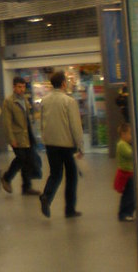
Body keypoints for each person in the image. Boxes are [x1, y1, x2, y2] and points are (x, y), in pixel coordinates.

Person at [39, 71, 84, 219]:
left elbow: (42, 123)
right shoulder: (69, 101)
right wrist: (80, 146)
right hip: (66, 144)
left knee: (55, 173)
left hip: (50, 144)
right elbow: (75, 125)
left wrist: (44, 139)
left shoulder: (44, 100)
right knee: (71, 176)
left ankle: (46, 195)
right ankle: (69, 209)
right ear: (64, 83)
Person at [1, 77, 40, 195]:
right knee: (21, 158)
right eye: (19, 87)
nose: (22, 89)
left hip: (27, 135)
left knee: (28, 160)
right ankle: (7, 178)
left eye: (23, 87)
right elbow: (7, 122)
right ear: (14, 87)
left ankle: (26, 187)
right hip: (17, 136)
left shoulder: (25, 100)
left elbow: (28, 118)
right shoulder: (9, 102)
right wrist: (11, 139)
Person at [114, 122, 135, 221]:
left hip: (129, 173)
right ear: (123, 134)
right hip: (126, 175)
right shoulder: (121, 145)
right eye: (130, 134)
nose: (131, 136)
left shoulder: (125, 144)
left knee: (131, 194)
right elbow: (130, 154)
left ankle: (129, 212)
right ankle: (124, 214)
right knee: (128, 195)